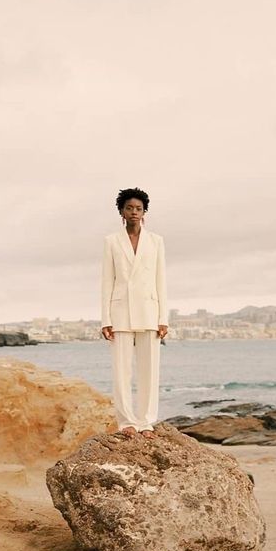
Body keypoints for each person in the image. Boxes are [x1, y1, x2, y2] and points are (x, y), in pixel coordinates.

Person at [101, 187, 168, 439]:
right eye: (129, 208)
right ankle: (127, 421)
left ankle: (146, 421)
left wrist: (163, 318)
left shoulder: (156, 241)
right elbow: (107, 281)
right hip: (120, 311)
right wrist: (105, 319)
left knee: (149, 370)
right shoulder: (111, 241)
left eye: (138, 209)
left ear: (144, 212)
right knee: (121, 370)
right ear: (121, 211)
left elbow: (161, 280)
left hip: (150, 310)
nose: (134, 213)